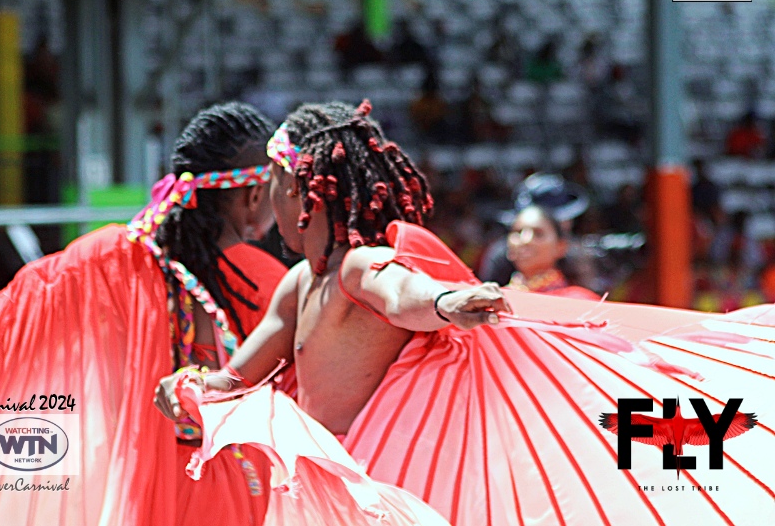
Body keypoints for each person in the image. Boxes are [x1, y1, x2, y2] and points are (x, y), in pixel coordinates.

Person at [157, 101, 775, 525]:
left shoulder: (357, 267)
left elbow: (405, 295)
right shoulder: (297, 285)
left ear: (302, 191)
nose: (267, 196)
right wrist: (189, 388)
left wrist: (449, 303)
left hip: (373, 480)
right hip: (311, 485)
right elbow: (235, 377)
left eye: (276, 183)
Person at [0, 102, 287, 526]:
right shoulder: (266, 285)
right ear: (252, 197)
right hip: (233, 501)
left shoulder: (103, 262)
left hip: (130, 493)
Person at [505, 205, 600, 300]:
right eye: (518, 232)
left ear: (561, 246)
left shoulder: (580, 300)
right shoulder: (497, 299)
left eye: (538, 234)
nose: (525, 240)